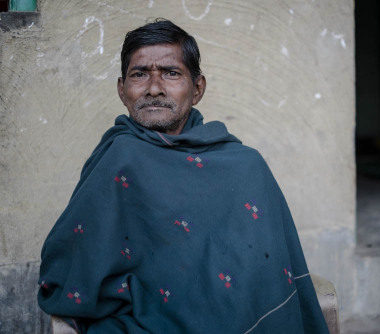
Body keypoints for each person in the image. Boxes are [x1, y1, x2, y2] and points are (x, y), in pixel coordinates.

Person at [38, 19, 329, 333]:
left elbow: (266, 270)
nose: (153, 88)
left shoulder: (244, 165)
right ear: (122, 90)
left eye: (171, 73)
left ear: (198, 88)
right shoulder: (118, 159)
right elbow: (67, 268)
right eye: (139, 74)